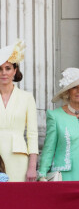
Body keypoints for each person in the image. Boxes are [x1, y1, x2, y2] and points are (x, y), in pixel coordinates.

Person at [0, 40, 38, 182]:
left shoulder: (27, 98)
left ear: (15, 70)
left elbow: (33, 134)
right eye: (0, 68)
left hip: (18, 158)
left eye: (8, 68)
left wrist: (32, 166)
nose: (4, 73)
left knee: (17, 200)